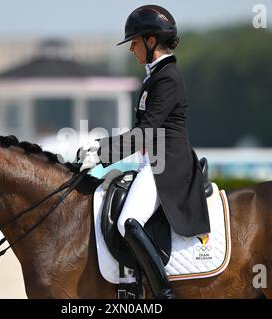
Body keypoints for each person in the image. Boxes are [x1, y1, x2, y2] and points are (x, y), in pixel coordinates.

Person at [78, 5, 210, 299]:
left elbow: (145, 132)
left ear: (151, 41)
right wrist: (100, 149)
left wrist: (102, 153)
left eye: (135, 43)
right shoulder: (155, 76)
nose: (132, 50)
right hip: (153, 162)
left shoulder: (167, 78)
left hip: (168, 166)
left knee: (129, 222)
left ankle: (164, 294)